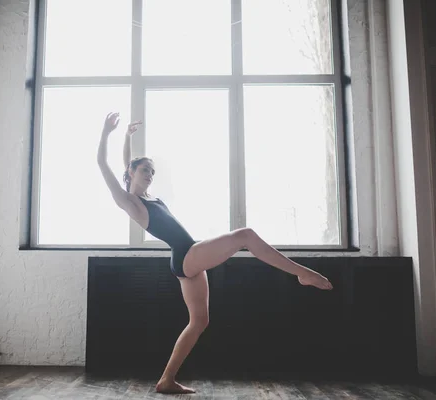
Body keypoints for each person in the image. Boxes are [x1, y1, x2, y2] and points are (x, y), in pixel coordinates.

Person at [96, 112, 333, 394]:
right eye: (144, 170)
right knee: (245, 235)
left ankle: (166, 379)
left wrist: (127, 137)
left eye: (152, 172)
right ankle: (302, 273)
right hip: (186, 254)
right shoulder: (130, 203)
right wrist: (106, 133)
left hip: (185, 260)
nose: (149, 175)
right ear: (131, 174)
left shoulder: (145, 196)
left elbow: (127, 164)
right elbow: (103, 163)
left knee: (199, 322)